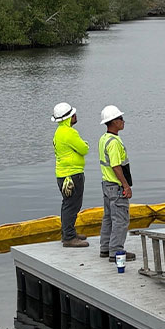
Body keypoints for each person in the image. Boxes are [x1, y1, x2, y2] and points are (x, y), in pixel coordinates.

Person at [98, 105, 135, 262]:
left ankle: (105, 248)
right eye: (120, 119)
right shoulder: (113, 142)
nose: (123, 121)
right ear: (113, 122)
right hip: (116, 187)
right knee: (120, 219)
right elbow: (116, 166)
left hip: (107, 186)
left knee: (108, 217)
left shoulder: (104, 139)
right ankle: (116, 251)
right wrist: (126, 186)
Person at [52, 102, 89, 248]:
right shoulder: (70, 133)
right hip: (72, 175)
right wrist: (85, 144)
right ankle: (69, 237)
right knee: (73, 205)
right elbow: (84, 149)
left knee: (67, 204)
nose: (75, 116)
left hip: (62, 175)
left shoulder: (58, 132)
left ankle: (68, 233)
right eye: (73, 114)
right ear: (68, 118)